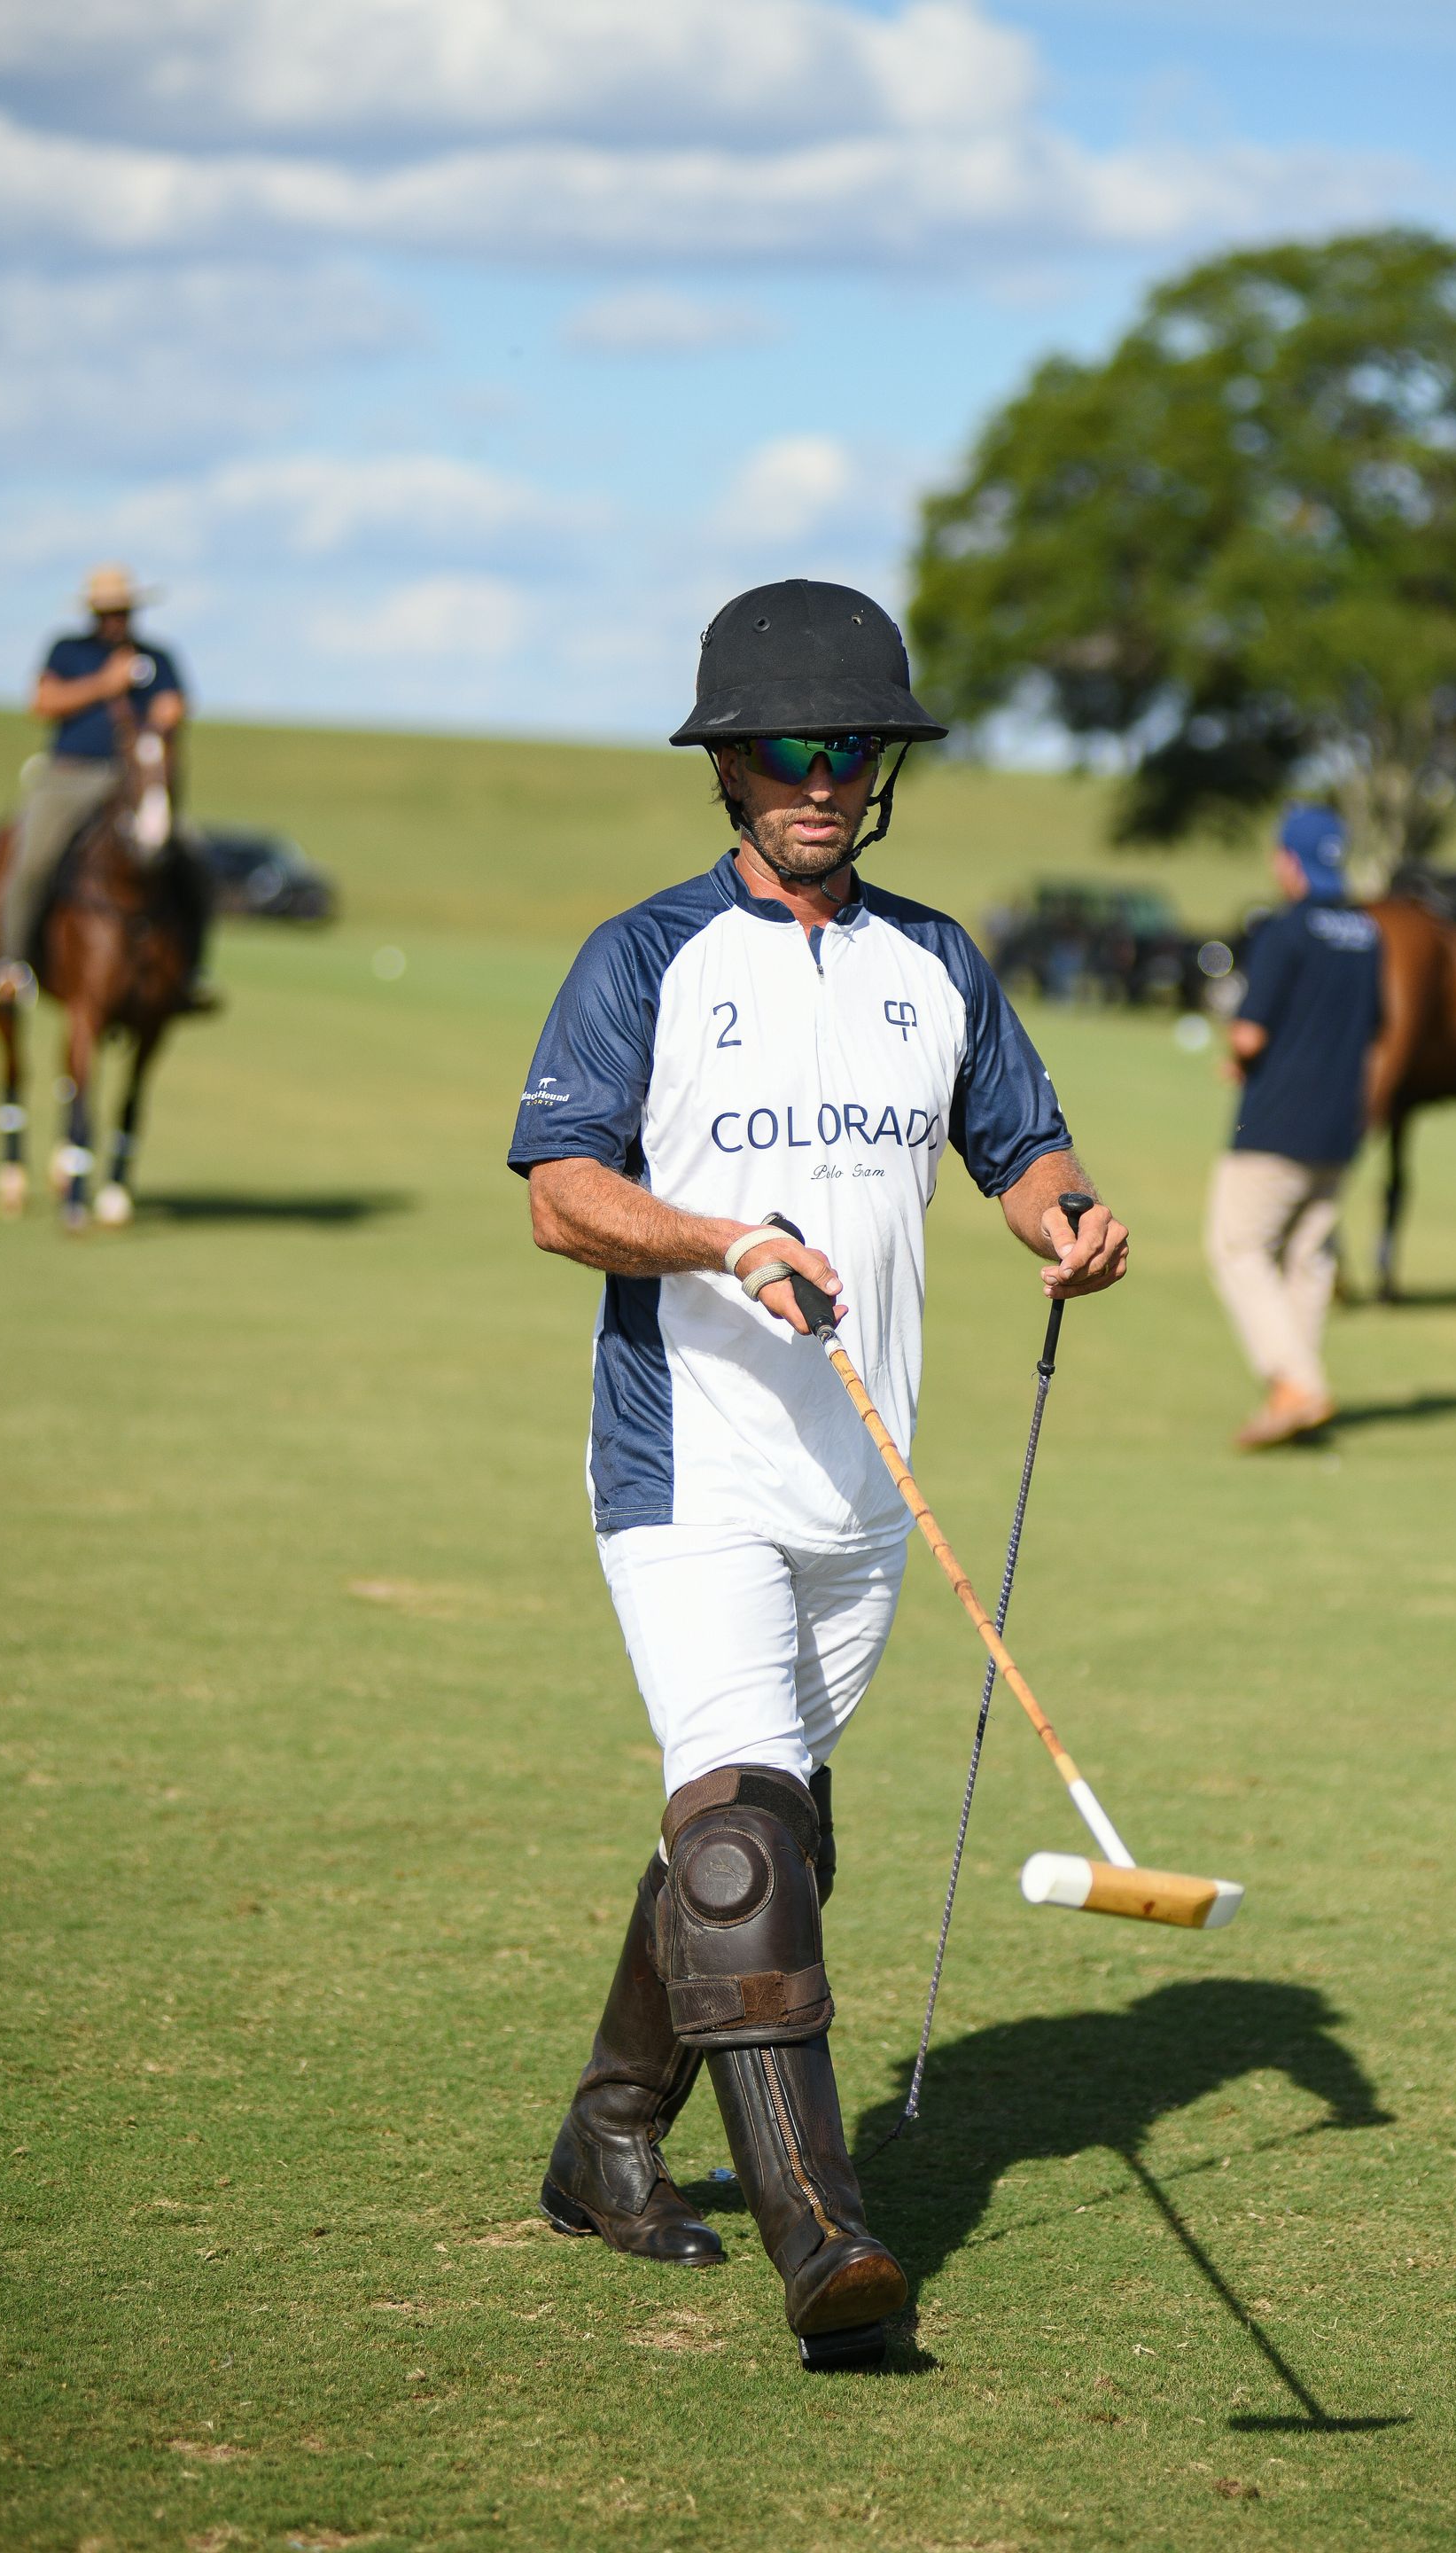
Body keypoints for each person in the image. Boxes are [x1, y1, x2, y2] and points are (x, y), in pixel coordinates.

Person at [508, 580, 1128, 2370]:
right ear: (726, 766)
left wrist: (1073, 1220)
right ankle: (826, 2238)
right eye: (784, 749)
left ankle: (607, 2140)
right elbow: (563, 1192)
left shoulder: (934, 963)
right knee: (737, 1844)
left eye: (849, 748)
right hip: (689, 1465)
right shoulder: (645, 958)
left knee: (771, 1834)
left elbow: (1024, 1147)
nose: (818, 778)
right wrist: (723, 1239)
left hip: (867, 1486)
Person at [1206, 805, 1382, 1450]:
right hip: (1341, 1126)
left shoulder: (1287, 930)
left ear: (1290, 862)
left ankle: (1297, 1385)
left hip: (1277, 1124)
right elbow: (1372, 1027)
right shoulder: (1368, 934)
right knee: (1308, 1259)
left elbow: (1250, 1033)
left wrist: (1237, 1052)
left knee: (1236, 1246)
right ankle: (1299, 1400)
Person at [0, 564, 215, 1010]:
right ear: (93, 613)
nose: (116, 620)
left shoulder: (157, 657)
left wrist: (166, 713)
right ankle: (11, 965)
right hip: (71, 775)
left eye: (123, 611)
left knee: (195, 860)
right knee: (33, 856)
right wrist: (104, 684)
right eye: (108, 612)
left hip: (135, 781)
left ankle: (190, 972)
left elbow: (176, 705)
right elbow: (42, 702)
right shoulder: (68, 651)